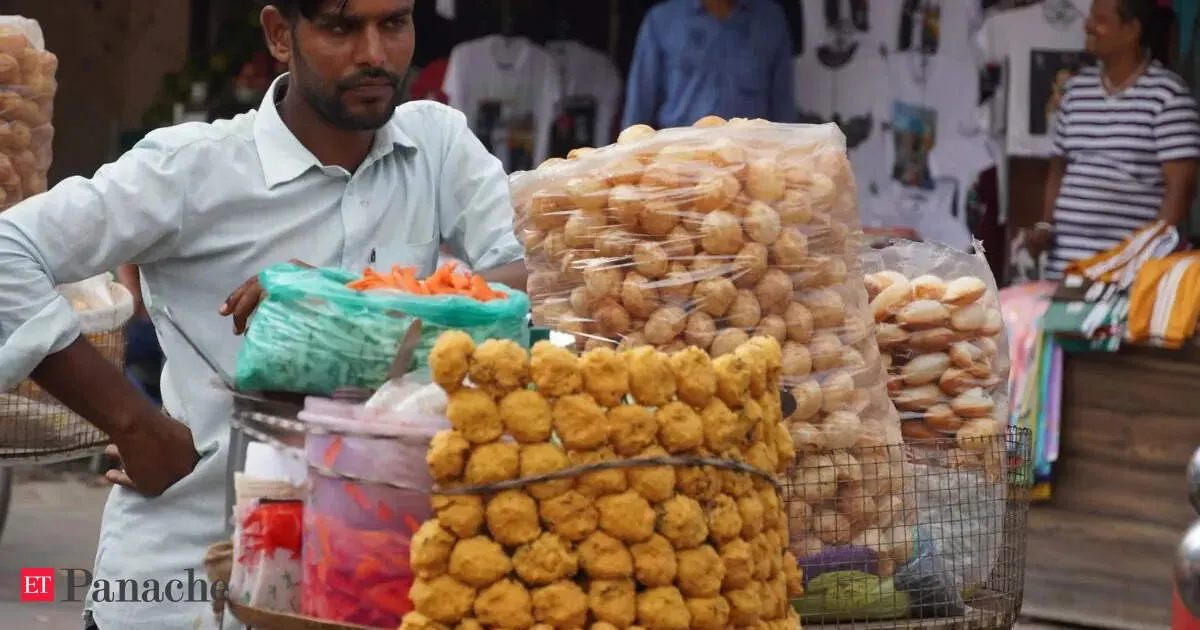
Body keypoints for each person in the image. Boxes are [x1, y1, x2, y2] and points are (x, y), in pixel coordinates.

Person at [0, 0, 526, 627]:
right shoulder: (194, 166)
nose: (375, 55)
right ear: (280, 35)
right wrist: (134, 424)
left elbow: (535, 277)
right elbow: (10, 250)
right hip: (184, 588)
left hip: (373, 582)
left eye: (394, 24)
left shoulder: (436, 146)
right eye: (341, 27)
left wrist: (344, 299)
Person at [1032, 0, 1200, 277]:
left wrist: (1140, 260)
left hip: (1125, 277)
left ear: (1132, 29)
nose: (1087, 25)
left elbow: (1180, 191)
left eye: (1100, 20)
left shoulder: (1168, 96)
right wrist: (1045, 225)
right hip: (1064, 268)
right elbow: (1059, 167)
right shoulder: (1076, 91)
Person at [621, 0, 796, 129]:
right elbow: (639, 104)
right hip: (680, 155)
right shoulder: (661, 20)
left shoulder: (770, 19)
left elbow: (783, 106)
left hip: (750, 154)